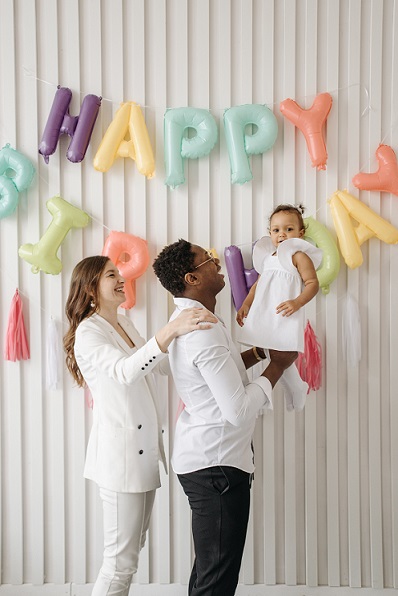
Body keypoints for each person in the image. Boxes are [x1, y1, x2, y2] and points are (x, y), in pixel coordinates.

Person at [63, 255, 217, 596]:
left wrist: (187, 337)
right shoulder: (88, 332)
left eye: (119, 273)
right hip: (121, 461)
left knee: (130, 554)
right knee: (120, 563)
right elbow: (125, 370)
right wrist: (171, 329)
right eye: (111, 275)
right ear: (90, 287)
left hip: (143, 457)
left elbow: (157, 367)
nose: (121, 279)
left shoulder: (124, 322)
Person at [153, 239, 295, 596]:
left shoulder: (198, 322)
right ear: (192, 278)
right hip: (215, 467)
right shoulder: (202, 331)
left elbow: (218, 378)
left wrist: (259, 352)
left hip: (209, 462)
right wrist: (276, 368)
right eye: (208, 260)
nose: (217, 264)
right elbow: (238, 410)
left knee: (208, 572)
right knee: (216, 580)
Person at [236, 204, 322, 411]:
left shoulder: (298, 256)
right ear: (270, 234)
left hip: (286, 312)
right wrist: (247, 303)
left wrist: (297, 302)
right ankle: (296, 387)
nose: (282, 234)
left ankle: (292, 389)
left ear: (300, 233)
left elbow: (312, 283)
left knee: (281, 353)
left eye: (288, 229)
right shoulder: (269, 259)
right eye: (276, 230)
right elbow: (259, 284)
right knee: (273, 351)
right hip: (267, 312)